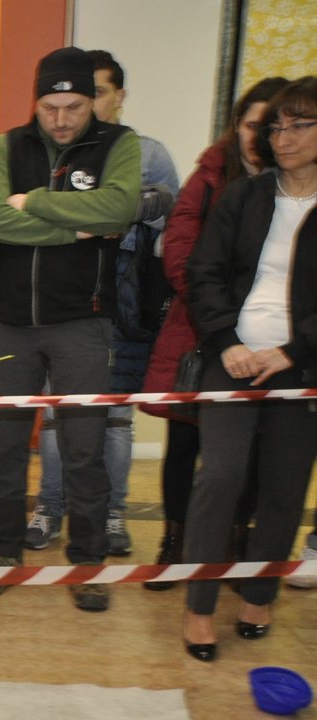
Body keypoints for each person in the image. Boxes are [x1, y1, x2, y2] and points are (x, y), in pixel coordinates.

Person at [0, 47, 141, 612]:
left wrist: (36, 202)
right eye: (50, 106)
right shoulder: (6, 147)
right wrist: (73, 228)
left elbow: (117, 211)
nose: (61, 119)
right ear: (34, 102)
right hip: (12, 324)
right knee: (7, 447)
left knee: (84, 450)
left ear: (94, 101)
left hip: (83, 324)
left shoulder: (119, 143)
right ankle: (2, 553)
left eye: (73, 106)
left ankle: (88, 563)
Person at [180, 77, 317, 660]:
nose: (283, 137)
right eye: (276, 126)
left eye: (299, 125)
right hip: (231, 358)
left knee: (285, 486)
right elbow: (203, 272)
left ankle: (259, 597)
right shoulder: (245, 196)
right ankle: (200, 606)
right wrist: (226, 341)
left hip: (301, 365)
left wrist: (293, 351)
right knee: (220, 478)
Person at [28, 50, 180, 558]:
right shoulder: (50, 152)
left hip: (125, 301)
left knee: (115, 418)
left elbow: (167, 230)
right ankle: (49, 507)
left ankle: (112, 515)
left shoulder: (149, 152)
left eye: (97, 92)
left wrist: (113, 211)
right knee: (55, 413)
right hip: (64, 297)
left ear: (118, 96)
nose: (84, 103)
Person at [137, 77, 289, 586]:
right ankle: (176, 544)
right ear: (237, 125)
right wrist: (221, 310)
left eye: (268, 127)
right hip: (199, 332)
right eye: (251, 124)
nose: (258, 136)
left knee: (250, 451)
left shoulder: (293, 189)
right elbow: (180, 252)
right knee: (185, 446)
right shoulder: (208, 178)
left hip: (268, 344)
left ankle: (232, 544)